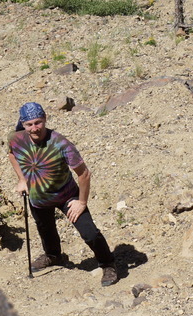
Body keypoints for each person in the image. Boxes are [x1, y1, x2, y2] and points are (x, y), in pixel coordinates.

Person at [8, 102, 118, 286]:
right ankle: (53, 256)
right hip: (38, 196)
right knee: (45, 229)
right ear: (23, 124)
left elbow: (84, 174)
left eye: (38, 122)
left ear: (45, 119)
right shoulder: (16, 138)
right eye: (29, 124)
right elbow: (12, 155)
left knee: (90, 233)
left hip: (67, 196)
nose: (34, 128)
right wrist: (22, 180)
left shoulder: (60, 143)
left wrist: (81, 202)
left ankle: (108, 263)